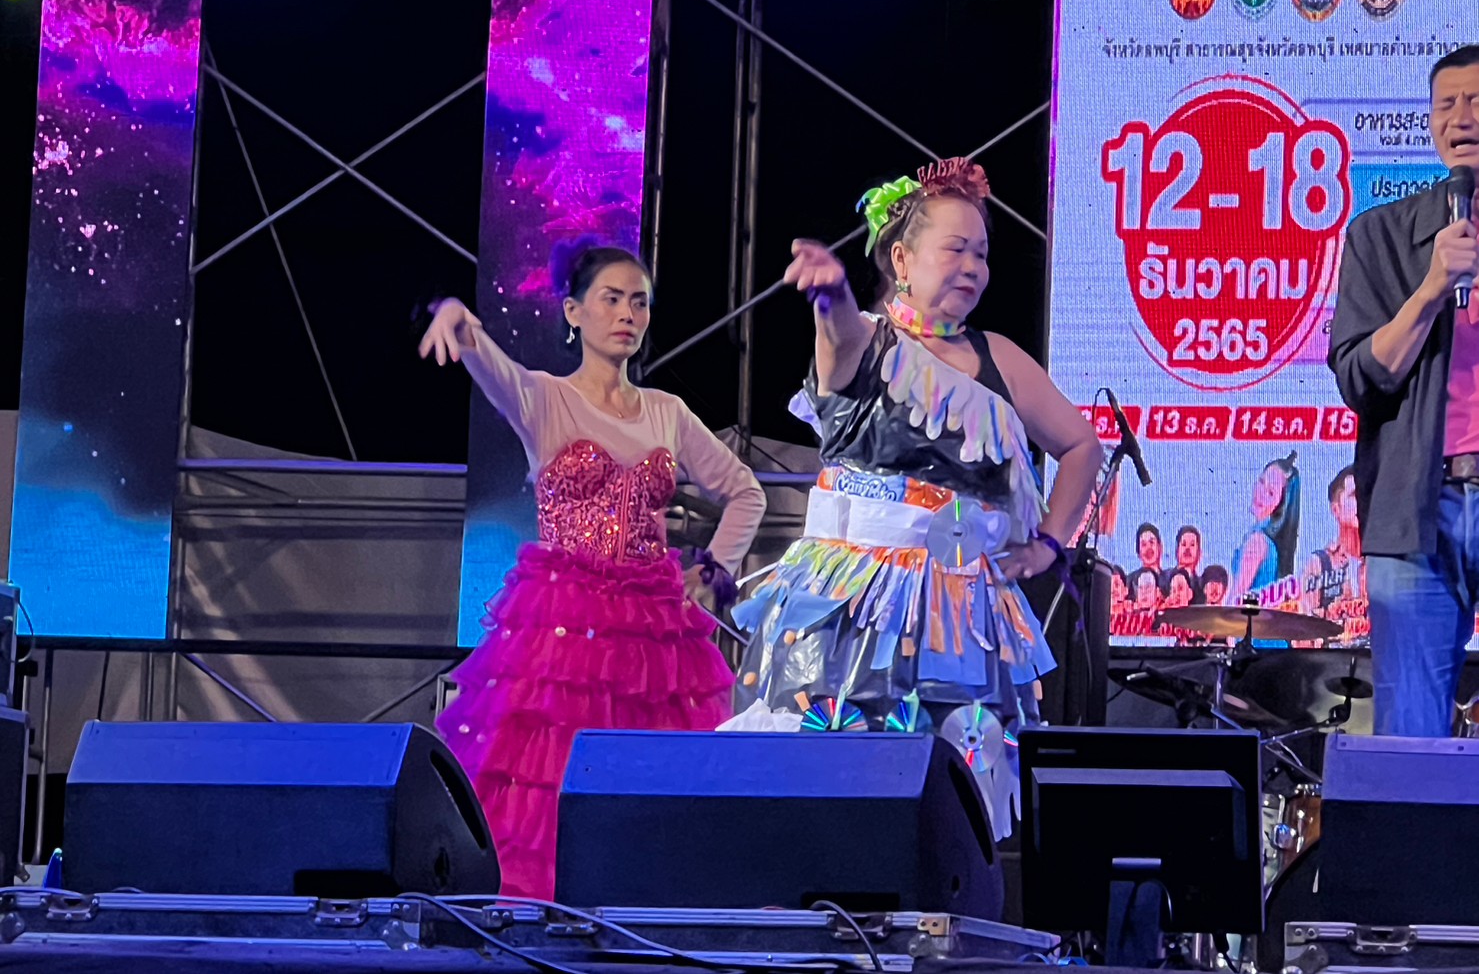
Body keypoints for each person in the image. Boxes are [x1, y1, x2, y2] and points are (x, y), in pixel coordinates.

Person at [732, 158, 1100, 837]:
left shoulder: (999, 357)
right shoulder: (866, 341)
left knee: (946, 799)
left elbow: (1081, 446)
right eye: (954, 249)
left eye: (981, 253)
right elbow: (839, 330)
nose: (972, 266)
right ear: (901, 258)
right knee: (836, 783)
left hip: (962, 612)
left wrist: (1048, 544)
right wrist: (831, 293)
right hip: (854, 606)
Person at [421, 243, 766, 898]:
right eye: (611, 299)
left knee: (653, 786)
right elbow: (488, 363)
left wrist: (715, 569)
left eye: (639, 302)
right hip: (563, 628)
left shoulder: (666, 411)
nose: (627, 314)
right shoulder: (544, 398)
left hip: (652, 632)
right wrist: (457, 318)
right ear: (573, 312)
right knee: (546, 780)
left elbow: (746, 491)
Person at [1328, 44, 1479, 735]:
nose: (1461, 117)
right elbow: (1360, 378)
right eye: (1446, 105)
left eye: (1475, 102)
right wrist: (1431, 288)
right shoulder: (1380, 236)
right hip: (1415, 510)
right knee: (1410, 739)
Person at [1229, 454, 1301, 601]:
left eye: (1270, 493)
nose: (1260, 494)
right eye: (1262, 482)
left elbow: (1235, 600)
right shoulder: (1261, 538)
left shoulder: (1258, 542)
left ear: (1279, 505)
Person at [1303, 466, 1364, 622]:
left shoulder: (1385, 562)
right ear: (1336, 509)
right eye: (1355, 495)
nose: (1364, 501)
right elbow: (1306, 626)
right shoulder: (1319, 564)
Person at [1172, 525, 1205, 603]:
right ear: (1177, 551)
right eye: (1184, 544)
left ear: (1199, 553)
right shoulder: (1164, 580)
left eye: (1192, 545)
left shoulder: (1202, 586)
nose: (1187, 549)